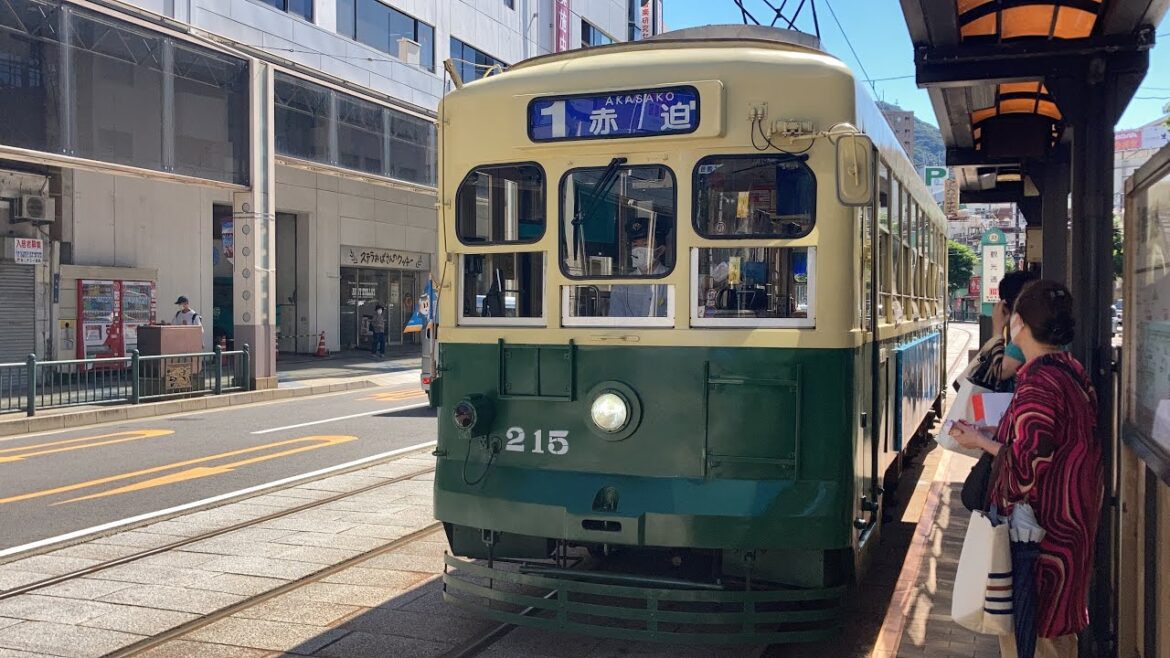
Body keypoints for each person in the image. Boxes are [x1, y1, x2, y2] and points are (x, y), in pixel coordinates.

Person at [950, 280, 1103, 658]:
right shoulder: (1070, 370)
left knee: (1032, 638)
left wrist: (979, 441)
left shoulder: (1038, 381)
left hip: (1040, 544)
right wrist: (994, 432)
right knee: (1055, 639)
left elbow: (1026, 466)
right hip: (1070, 533)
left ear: (1017, 322)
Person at [608, 218, 671, 318]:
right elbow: (615, 323)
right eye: (635, 245)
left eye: (645, 244)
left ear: (660, 250)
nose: (639, 250)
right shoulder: (622, 287)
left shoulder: (672, 280)